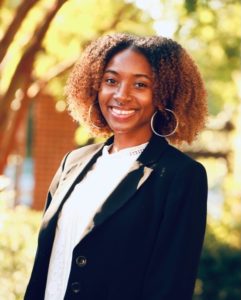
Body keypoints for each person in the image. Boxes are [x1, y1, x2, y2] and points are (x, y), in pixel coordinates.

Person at [25, 33, 208, 300]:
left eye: (140, 85)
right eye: (111, 80)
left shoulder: (181, 177)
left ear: (164, 95)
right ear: (95, 86)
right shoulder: (72, 163)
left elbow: (170, 287)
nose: (121, 95)